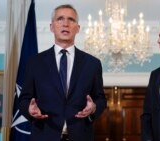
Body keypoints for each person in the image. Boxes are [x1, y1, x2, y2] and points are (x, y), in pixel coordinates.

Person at [19, 4, 107, 141]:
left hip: (81, 136)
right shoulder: (34, 63)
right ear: (51, 27)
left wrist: (94, 107)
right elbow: (24, 99)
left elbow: (100, 98)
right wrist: (30, 110)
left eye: (71, 20)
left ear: (77, 28)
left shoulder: (92, 64)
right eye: (60, 19)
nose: (65, 23)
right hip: (44, 135)